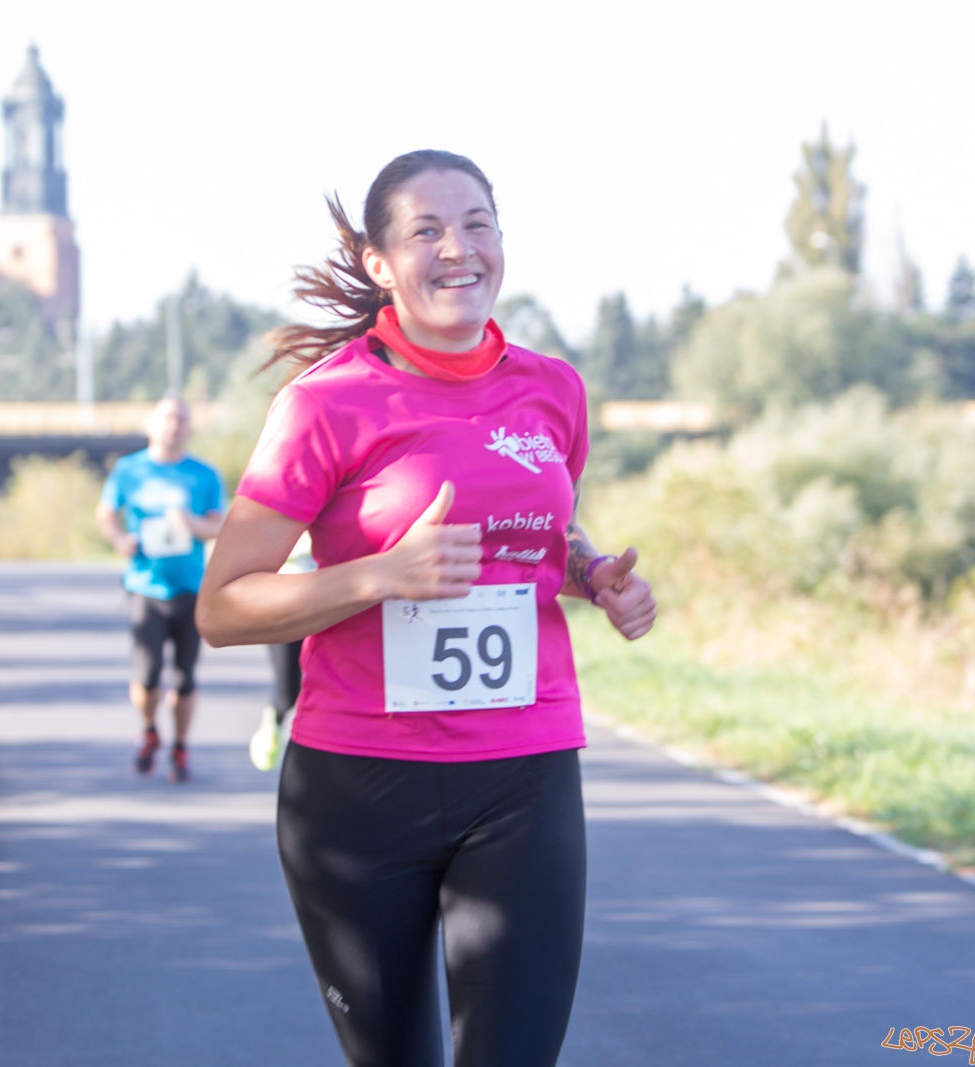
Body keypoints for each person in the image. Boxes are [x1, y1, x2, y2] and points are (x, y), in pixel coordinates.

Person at [197, 151, 656, 1066]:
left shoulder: (553, 389)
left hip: (523, 772)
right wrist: (375, 576)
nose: (460, 249)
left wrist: (591, 570)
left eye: (478, 224)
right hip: (358, 786)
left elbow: (528, 535)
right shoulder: (325, 405)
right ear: (379, 263)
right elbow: (223, 607)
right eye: (427, 230)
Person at [97, 396, 225, 783]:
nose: (174, 426)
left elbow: (219, 526)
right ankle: (149, 729)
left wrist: (188, 521)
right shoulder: (129, 470)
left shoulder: (204, 474)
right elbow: (106, 513)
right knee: (149, 674)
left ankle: (181, 745)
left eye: (182, 420)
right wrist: (119, 540)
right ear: (151, 425)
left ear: (189, 428)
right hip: (144, 586)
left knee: (185, 678)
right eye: (168, 419)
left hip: (190, 588)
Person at [248, 532, 315, 771]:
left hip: (324, 606)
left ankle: (312, 757)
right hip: (282, 608)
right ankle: (274, 721)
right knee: (289, 692)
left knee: (325, 683)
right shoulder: (281, 515)